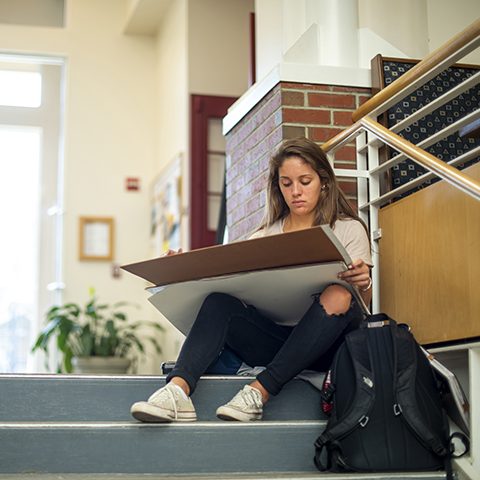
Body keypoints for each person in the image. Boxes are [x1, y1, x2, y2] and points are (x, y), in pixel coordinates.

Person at [130, 137, 372, 423]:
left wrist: (364, 283)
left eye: (305, 181)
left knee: (338, 294)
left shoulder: (348, 229)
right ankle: (177, 391)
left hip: (326, 345)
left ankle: (258, 392)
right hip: (275, 341)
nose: (296, 191)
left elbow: (360, 307)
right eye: (286, 183)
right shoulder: (263, 237)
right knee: (219, 301)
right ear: (277, 186)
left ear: (324, 182)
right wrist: (181, 268)